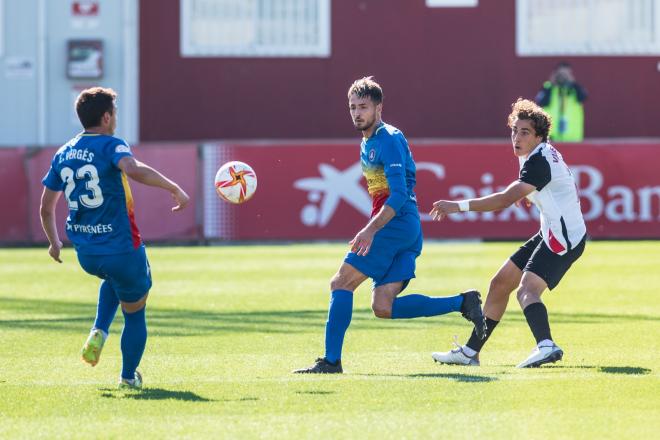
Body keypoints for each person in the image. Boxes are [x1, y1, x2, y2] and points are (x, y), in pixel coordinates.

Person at [293, 76, 486, 374]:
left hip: (394, 225)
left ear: (379, 108)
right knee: (383, 306)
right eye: (352, 107)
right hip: (405, 228)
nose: (357, 113)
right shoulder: (369, 140)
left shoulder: (389, 139)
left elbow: (398, 195)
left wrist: (370, 229)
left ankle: (331, 361)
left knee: (340, 283)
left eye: (363, 107)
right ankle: (463, 302)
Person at [39, 87, 190, 389]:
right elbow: (132, 169)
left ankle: (99, 330)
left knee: (112, 279)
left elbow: (46, 207)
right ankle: (128, 377)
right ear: (107, 117)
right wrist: (173, 186)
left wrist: (54, 242)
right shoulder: (111, 145)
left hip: (86, 253)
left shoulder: (64, 152)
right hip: (121, 247)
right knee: (136, 310)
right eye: (115, 113)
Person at [430, 98, 586, 368]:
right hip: (552, 231)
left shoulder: (538, 161)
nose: (516, 137)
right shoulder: (536, 154)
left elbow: (503, 200)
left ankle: (546, 345)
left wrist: (457, 206)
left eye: (524, 132)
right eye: (514, 130)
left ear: (539, 136)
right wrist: (529, 195)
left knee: (526, 291)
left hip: (563, 239)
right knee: (500, 283)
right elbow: (544, 188)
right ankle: (470, 353)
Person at [535, 62, 587, 142]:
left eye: (566, 74)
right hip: (551, 139)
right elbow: (540, 101)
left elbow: (583, 97)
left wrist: (573, 83)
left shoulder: (575, 89)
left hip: (573, 139)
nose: (563, 77)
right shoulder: (548, 88)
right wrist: (551, 84)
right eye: (561, 74)